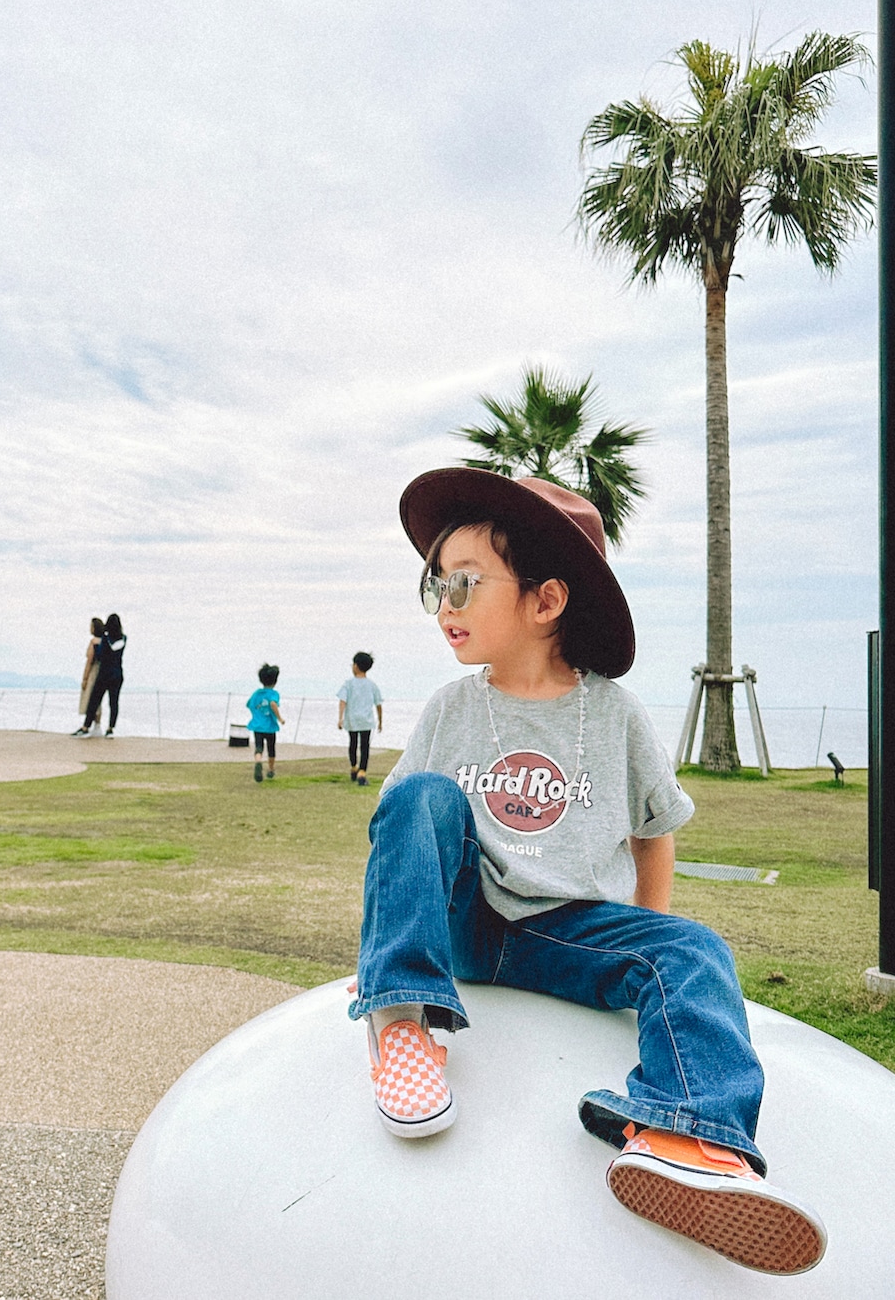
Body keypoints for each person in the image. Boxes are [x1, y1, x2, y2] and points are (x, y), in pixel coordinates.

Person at [348, 467, 826, 1277]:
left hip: (566, 934)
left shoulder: (614, 714)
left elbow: (655, 833)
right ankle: (401, 1025)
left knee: (696, 949)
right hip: (469, 920)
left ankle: (688, 1133)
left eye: (465, 582)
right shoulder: (450, 710)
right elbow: (402, 833)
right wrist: (411, 947)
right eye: (436, 585)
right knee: (419, 798)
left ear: (546, 600)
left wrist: (655, 930)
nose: (446, 604)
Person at [73, 613, 126, 737]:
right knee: (114, 702)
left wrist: (96, 647)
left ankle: (86, 727)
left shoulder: (105, 639)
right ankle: (110, 729)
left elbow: (100, 655)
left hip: (104, 674)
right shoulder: (124, 639)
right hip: (117, 674)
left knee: (94, 701)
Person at [337, 652, 383, 784]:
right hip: (366, 721)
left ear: (356, 666)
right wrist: (380, 721)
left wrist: (340, 718)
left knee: (352, 744)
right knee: (364, 747)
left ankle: (353, 767)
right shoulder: (371, 685)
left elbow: (342, 701)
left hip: (352, 720)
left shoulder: (348, 684)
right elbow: (378, 704)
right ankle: (362, 772)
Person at [247, 663, 284, 782]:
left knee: (259, 747)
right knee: (271, 748)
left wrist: (257, 714)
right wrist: (280, 718)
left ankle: (258, 761)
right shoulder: (273, 694)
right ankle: (271, 770)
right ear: (275, 680)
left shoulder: (256, 693)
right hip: (270, 726)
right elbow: (273, 704)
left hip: (257, 726)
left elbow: (249, 704)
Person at [77, 618, 105, 736]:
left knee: (90, 697)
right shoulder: (105, 641)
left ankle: (88, 726)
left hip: (93, 672)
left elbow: (89, 661)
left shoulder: (93, 642)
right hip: (102, 672)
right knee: (98, 700)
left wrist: (84, 678)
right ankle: (97, 726)